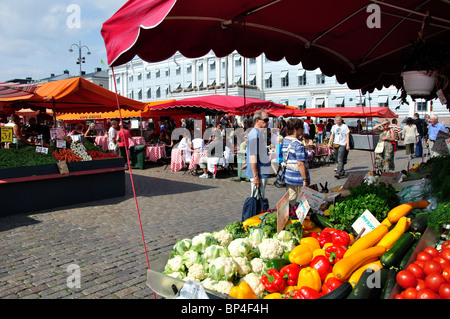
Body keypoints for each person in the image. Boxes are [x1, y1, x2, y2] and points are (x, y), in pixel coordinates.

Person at [281, 118, 310, 206]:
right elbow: (300, 163)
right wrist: (305, 180)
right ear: (295, 129)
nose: (303, 130)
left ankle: (291, 215)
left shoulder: (284, 141)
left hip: (288, 176)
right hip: (298, 178)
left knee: (291, 200)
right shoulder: (298, 144)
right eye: (301, 128)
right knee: (302, 203)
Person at [245, 109, 271, 198]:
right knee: (257, 200)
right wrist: (256, 176)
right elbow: (253, 156)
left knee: (259, 198)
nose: (268, 122)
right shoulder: (254, 134)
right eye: (266, 120)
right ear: (257, 121)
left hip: (262, 171)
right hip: (259, 173)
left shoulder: (258, 133)